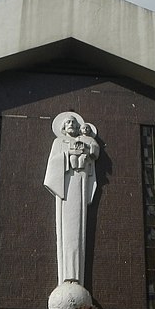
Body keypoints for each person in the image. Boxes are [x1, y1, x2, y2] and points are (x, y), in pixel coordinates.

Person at [43, 112, 100, 287]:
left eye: (74, 123)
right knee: (67, 229)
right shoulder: (58, 142)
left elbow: (94, 151)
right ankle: (67, 276)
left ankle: (75, 277)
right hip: (65, 188)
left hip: (80, 183)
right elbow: (53, 164)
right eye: (68, 122)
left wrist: (86, 152)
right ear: (62, 127)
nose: (72, 125)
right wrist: (68, 156)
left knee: (78, 227)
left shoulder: (86, 140)